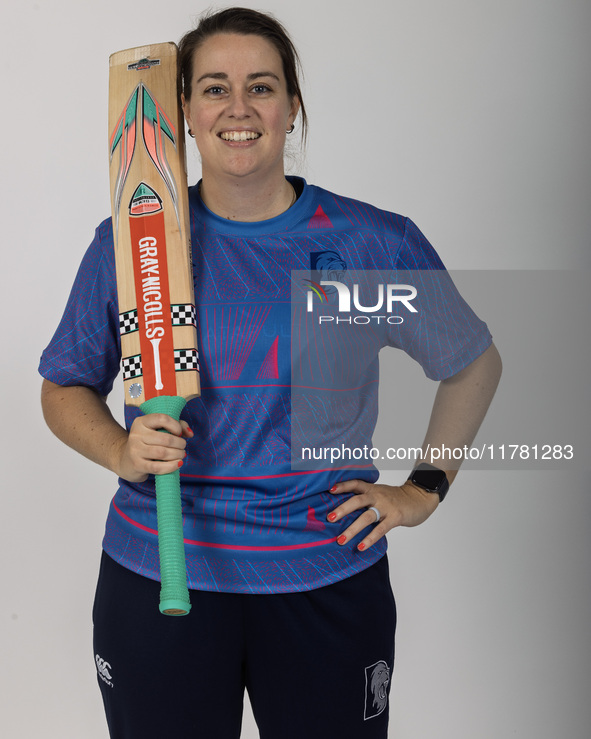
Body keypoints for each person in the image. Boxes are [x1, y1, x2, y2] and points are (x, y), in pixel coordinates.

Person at [39, 7, 502, 738]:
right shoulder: (132, 244)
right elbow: (63, 385)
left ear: (292, 108)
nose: (238, 108)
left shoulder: (370, 243)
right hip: (159, 568)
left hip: (323, 575)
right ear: (183, 111)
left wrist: (423, 488)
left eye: (261, 86)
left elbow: (473, 362)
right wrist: (117, 449)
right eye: (214, 88)